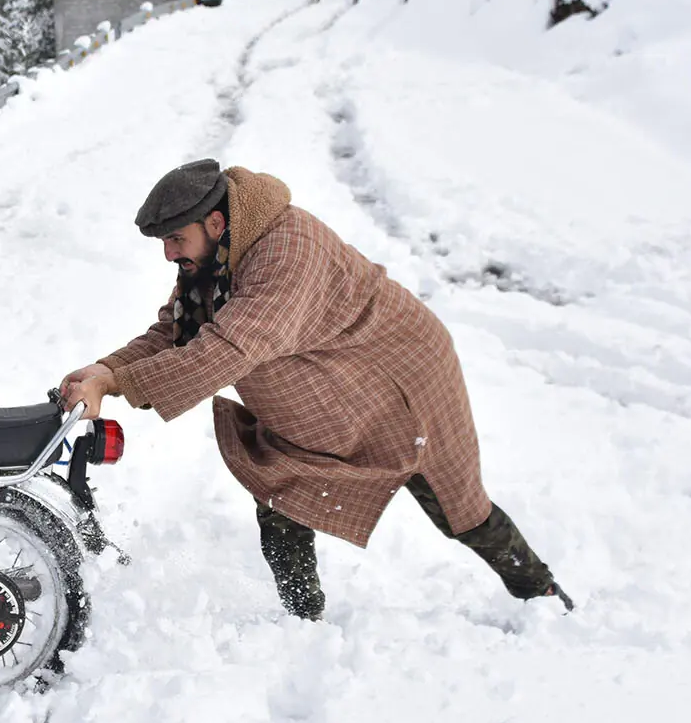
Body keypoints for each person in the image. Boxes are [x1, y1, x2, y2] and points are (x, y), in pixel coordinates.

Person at [61, 160, 571, 621]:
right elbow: (174, 332)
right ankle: (305, 623)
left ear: (214, 223)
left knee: (459, 509)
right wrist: (103, 369)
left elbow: (228, 349)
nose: (170, 254)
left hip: (403, 377)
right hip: (329, 384)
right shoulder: (219, 255)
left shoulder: (286, 250)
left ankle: (542, 595)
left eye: (176, 239)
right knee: (278, 489)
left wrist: (118, 383)